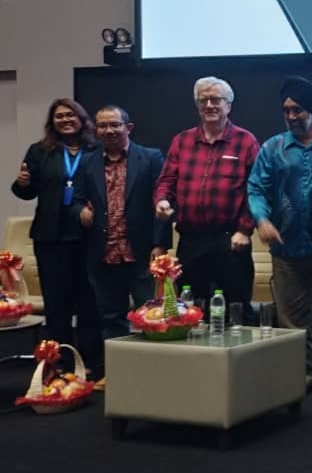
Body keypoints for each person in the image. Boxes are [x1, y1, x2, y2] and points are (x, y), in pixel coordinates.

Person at [248, 75, 312, 399]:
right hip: (286, 248)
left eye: (298, 110)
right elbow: (256, 188)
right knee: (292, 319)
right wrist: (262, 219)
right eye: (287, 110)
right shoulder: (272, 148)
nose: (292, 116)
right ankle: (303, 372)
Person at [73, 106, 172, 389]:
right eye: (102, 126)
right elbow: (75, 201)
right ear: (96, 130)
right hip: (102, 253)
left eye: (115, 125)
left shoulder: (150, 158)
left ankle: (153, 375)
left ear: (128, 127)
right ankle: (118, 373)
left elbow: (162, 199)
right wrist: (80, 211)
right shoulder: (87, 162)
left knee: (150, 317)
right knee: (111, 317)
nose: (109, 131)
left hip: (141, 252)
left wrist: (160, 243)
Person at [154, 76, 259, 324]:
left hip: (230, 240)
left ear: (229, 106)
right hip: (190, 241)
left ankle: (239, 360)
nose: (210, 105)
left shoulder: (245, 141)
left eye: (216, 100)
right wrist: (162, 201)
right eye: (203, 100)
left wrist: (245, 229)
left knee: (236, 308)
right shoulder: (182, 140)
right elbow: (166, 180)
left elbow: (256, 189)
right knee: (190, 308)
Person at [11, 98, 103, 374]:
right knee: (57, 303)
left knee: (89, 302)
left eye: (70, 115)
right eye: (59, 116)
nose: (65, 120)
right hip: (50, 238)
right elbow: (26, 192)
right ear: (52, 122)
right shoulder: (40, 151)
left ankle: (89, 362)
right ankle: (57, 362)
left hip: (88, 236)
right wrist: (21, 183)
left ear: (81, 118)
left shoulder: (96, 149)